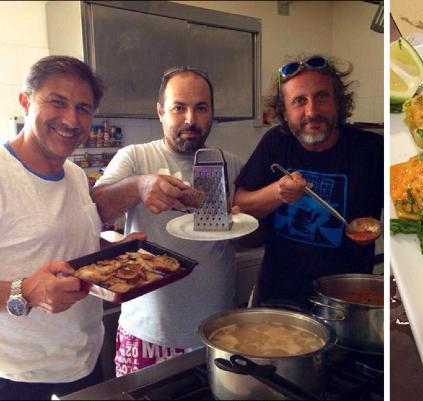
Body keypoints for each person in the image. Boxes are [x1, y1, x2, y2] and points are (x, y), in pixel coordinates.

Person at [90, 66, 242, 377]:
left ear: (212, 112)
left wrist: (242, 218)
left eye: (201, 108)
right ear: (160, 112)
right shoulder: (135, 158)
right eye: (179, 108)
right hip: (146, 333)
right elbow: (95, 210)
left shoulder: (231, 164)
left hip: (217, 333)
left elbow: (252, 238)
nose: (190, 119)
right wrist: (138, 186)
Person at [0, 56, 130, 400]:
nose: (71, 119)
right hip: (17, 375)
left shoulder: (75, 174)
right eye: (57, 102)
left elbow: (75, 249)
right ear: (26, 102)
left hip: (83, 360)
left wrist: (123, 255)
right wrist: (24, 291)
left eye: (83, 108)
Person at [234, 55, 384, 309]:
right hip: (276, 298)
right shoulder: (276, 143)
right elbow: (240, 205)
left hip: (346, 304)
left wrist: (379, 229)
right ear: (284, 110)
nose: (312, 111)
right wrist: (278, 192)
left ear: (338, 102)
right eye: (299, 101)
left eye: (322, 97)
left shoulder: (372, 149)